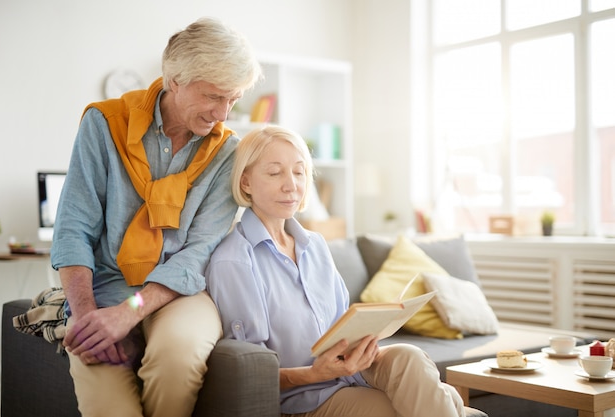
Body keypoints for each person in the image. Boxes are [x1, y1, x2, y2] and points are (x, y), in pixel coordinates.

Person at [50, 17, 262, 417]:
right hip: (107, 283)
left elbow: (198, 251)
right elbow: (74, 228)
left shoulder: (228, 153)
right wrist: (88, 316)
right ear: (175, 79)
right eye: (214, 96)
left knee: (178, 358)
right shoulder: (105, 122)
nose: (223, 113)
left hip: (180, 292)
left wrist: (129, 313)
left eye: (233, 99)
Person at [205, 125, 467, 417]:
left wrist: (364, 343)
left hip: (352, 373)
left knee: (410, 356)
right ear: (246, 182)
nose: (291, 185)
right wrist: (316, 373)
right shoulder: (235, 260)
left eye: (299, 172)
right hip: (305, 396)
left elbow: (344, 320)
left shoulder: (315, 244)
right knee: (439, 403)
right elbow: (250, 373)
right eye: (275, 172)